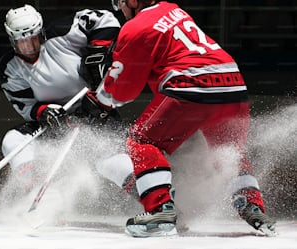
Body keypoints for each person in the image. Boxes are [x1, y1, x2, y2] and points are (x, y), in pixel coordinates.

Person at [91, 0, 276, 237]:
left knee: (141, 141)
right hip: (233, 83)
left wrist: (101, 96)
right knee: (227, 152)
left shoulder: (135, 27)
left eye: (122, 2)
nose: (120, 8)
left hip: (192, 86)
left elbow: (123, 90)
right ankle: (252, 205)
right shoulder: (172, 7)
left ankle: (160, 211)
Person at [0, 4, 125, 195]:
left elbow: (106, 19)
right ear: (12, 40)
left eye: (34, 38)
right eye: (22, 42)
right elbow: (27, 106)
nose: (30, 46)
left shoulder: (61, 35)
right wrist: (45, 112)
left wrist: (98, 53)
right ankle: (40, 195)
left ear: (40, 32)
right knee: (12, 140)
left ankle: (157, 202)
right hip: (56, 124)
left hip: (96, 112)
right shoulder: (11, 68)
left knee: (112, 161)